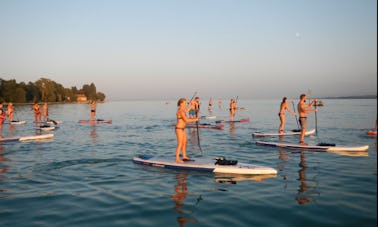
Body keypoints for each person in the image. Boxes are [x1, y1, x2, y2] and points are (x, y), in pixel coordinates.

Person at [175, 98, 198, 163]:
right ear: (181, 103)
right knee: (180, 144)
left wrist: (192, 104)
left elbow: (187, 110)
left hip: (182, 129)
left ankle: (184, 156)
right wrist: (195, 119)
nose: (186, 104)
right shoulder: (180, 111)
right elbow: (186, 120)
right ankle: (177, 159)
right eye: (185, 103)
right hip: (179, 129)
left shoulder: (182, 110)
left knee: (185, 142)